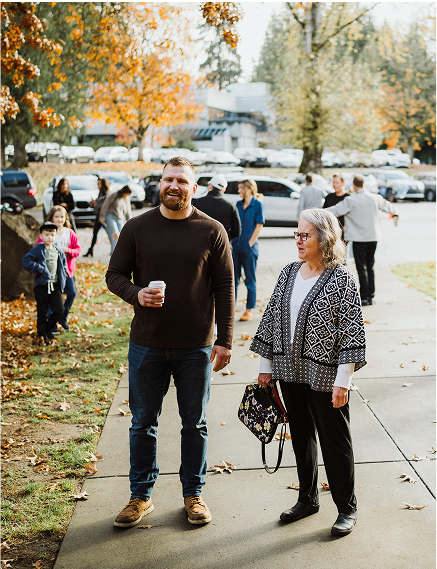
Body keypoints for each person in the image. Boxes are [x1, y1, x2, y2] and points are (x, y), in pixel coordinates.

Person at [106, 156, 234, 528]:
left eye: (181, 181)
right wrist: (136, 294)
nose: (173, 186)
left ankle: (193, 494)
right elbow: (114, 275)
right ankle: (140, 497)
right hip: (147, 344)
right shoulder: (137, 227)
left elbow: (225, 287)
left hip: (196, 346)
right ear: (159, 184)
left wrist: (224, 339)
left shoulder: (212, 231)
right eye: (168, 179)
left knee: (194, 423)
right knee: (143, 423)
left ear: (194, 188)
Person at [250, 208, 366, 537]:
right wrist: (265, 366)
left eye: (306, 235)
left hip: (326, 376)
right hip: (289, 370)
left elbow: (352, 331)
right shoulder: (288, 273)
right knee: (301, 435)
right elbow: (272, 317)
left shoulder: (341, 278)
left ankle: (347, 507)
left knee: (335, 441)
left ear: (325, 239)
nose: (298, 241)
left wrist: (344, 381)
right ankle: (308, 498)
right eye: (297, 234)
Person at [325, 174, 398, 305]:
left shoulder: (351, 201)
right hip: (373, 237)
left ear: (354, 185)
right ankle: (371, 294)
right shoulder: (375, 198)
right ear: (364, 184)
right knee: (370, 265)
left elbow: (336, 210)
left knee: (361, 267)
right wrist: (396, 213)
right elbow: (388, 207)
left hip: (359, 239)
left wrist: (320, 213)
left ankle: (364, 296)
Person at [22, 222, 68, 345]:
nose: (50, 238)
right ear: (41, 236)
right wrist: (39, 268)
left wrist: (64, 278)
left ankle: (48, 328)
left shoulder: (57, 251)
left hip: (55, 285)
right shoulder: (38, 249)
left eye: (52, 235)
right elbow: (26, 261)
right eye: (47, 235)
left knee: (59, 309)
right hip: (42, 286)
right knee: (42, 312)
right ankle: (42, 334)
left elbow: (63, 266)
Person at [41, 206, 81, 332]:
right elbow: (39, 248)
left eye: (62, 217)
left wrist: (68, 250)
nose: (59, 219)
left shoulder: (69, 233)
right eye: (56, 217)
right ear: (52, 218)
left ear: (65, 218)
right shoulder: (47, 232)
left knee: (72, 293)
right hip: (51, 271)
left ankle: (62, 318)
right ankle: (52, 324)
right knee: (53, 298)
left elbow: (78, 250)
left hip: (66, 270)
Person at [231, 179, 264, 322]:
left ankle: (248, 310)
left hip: (249, 248)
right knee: (233, 280)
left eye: (240, 188)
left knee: (250, 280)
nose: (238, 191)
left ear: (248, 189)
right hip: (236, 246)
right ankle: (231, 309)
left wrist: (250, 243)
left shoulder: (257, 205)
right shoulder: (237, 204)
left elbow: (259, 225)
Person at [194, 175, 241, 241]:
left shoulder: (196, 203)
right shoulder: (230, 206)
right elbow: (237, 232)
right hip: (222, 245)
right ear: (223, 190)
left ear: (210, 186)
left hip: (201, 244)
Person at [100, 185, 132, 254]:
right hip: (111, 216)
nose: (127, 195)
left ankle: (120, 253)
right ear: (124, 191)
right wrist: (102, 217)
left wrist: (130, 222)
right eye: (127, 194)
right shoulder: (114, 195)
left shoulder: (126, 198)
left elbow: (128, 211)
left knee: (121, 236)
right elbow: (105, 205)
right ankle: (114, 253)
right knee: (115, 234)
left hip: (120, 218)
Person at [84, 178, 110, 257]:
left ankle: (115, 249)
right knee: (94, 234)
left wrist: (96, 203)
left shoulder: (106, 194)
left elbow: (104, 206)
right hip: (98, 217)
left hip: (103, 218)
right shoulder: (101, 193)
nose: (98, 185)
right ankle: (90, 250)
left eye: (99, 183)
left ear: (103, 184)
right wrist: (93, 203)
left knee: (110, 234)